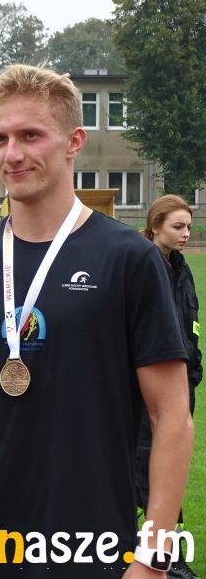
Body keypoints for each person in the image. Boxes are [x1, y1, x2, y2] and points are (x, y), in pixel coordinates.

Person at [0, 64, 193, 578]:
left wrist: (155, 556)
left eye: (31, 135)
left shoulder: (128, 258)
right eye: (0, 138)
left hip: (90, 540)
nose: (12, 154)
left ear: (74, 141)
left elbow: (172, 416)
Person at [137, 194, 201, 579]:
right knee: (148, 469)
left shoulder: (180, 266)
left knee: (169, 467)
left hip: (181, 384)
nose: (186, 234)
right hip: (148, 389)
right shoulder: (142, 266)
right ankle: (165, 559)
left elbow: (189, 324)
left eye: (189, 226)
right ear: (155, 225)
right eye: (178, 226)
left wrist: (194, 368)